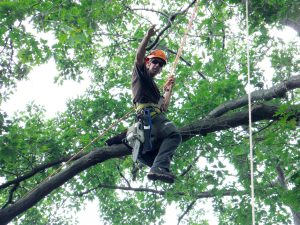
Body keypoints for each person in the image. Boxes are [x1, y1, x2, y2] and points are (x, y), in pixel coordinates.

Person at [131, 25, 182, 184]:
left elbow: (164, 107)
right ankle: (158, 168)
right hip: (149, 119)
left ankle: (157, 168)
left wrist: (168, 90)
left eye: (161, 64)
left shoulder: (153, 89)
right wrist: (147, 36)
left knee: (158, 154)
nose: (157, 66)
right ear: (148, 62)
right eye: (155, 62)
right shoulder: (141, 76)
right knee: (174, 135)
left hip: (153, 121)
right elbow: (138, 58)